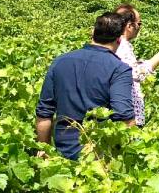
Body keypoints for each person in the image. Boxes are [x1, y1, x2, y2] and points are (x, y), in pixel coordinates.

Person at [36, 13, 136, 160]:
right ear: (119, 39)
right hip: (99, 156)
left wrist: (44, 149)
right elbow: (125, 118)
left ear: (92, 32)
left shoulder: (60, 62)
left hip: (62, 152)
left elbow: (44, 113)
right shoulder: (119, 69)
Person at [113, 4, 159, 127]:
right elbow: (136, 74)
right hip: (128, 117)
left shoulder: (116, 44)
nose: (140, 27)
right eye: (139, 23)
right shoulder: (122, 46)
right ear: (129, 26)